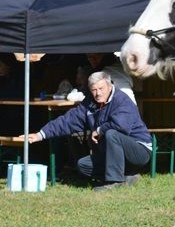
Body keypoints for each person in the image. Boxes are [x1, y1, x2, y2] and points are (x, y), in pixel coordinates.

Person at [22, 71, 151, 191]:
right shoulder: (89, 102)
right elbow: (68, 121)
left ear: (110, 86)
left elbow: (121, 126)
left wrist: (100, 129)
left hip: (139, 150)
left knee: (112, 134)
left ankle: (114, 182)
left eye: (101, 89)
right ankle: (127, 176)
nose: (98, 93)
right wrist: (40, 134)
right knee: (83, 165)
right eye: (94, 89)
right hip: (115, 156)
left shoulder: (122, 99)